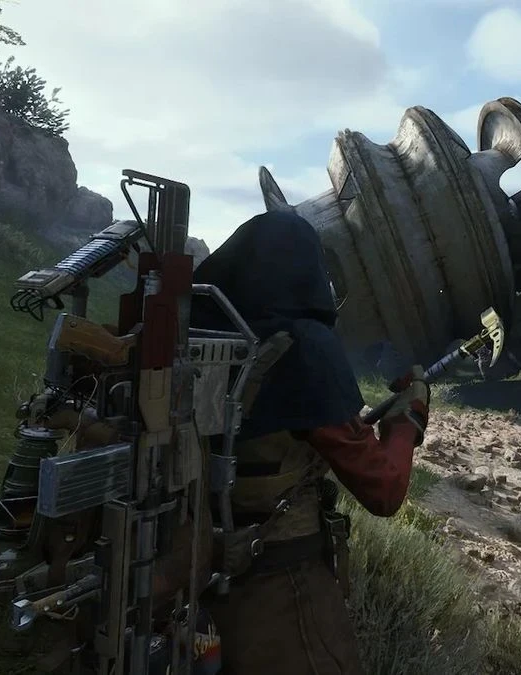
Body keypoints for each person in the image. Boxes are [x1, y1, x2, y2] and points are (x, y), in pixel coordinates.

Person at [186, 209, 430, 674]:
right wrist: (407, 421)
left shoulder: (199, 329)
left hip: (198, 583)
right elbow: (384, 490)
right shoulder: (303, 347)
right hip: (280, 590)